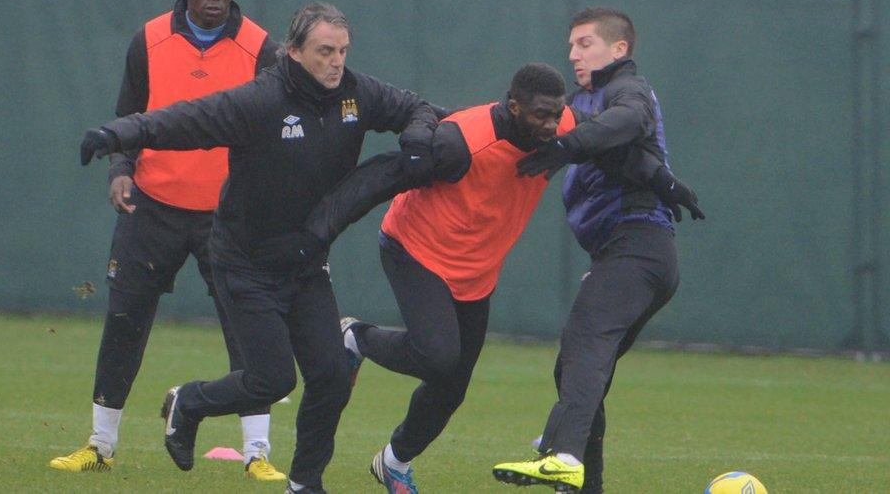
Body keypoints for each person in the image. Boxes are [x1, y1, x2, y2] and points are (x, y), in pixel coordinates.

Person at [250, 61, 702, 493]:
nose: (551, 125)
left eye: (556, 113)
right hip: (415, 252)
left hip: (475, 274)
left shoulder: (562, 129)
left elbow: (617, 157)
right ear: (513, 108)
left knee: (450, 391)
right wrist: (314, 234)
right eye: (541, 115)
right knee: (438, 356)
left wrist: (667, 184)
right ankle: (357, 339)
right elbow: (380, 178)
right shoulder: (460, 143)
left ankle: (393, 462)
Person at [79, 1, 439, 494]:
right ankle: (190, 402)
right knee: (272, 380)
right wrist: (117, 134)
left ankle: (305, 484)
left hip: (306, 265)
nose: (336, 62)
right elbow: (188, 120)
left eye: (342, 51)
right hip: (244, 264)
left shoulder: (356, 93)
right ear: (292, 51)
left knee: (332, 376)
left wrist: (419, 134)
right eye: (324, 51)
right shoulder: (262, 100)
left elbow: (417, 107)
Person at [50, 0, 285, 481]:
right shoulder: (150, 38)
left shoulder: (261, 48)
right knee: (124, 322)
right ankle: (100, 445)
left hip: (227, 216)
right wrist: (120, 171)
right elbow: (129, 113)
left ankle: (257, 454)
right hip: (151, 206)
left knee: (248, 333)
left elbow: (271, 128)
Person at [492, 7, 696, 493]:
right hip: (627, 253)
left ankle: (564, 454)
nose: (573, 53)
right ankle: (581, 481)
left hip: (638, 246)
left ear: (618, 49)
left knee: (585, 344)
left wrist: (565, 148)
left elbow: (627, 121)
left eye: (585, 43)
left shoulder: (628, 89)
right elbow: (623, 151)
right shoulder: (585, 103)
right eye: (571, 45)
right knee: (577, 367)